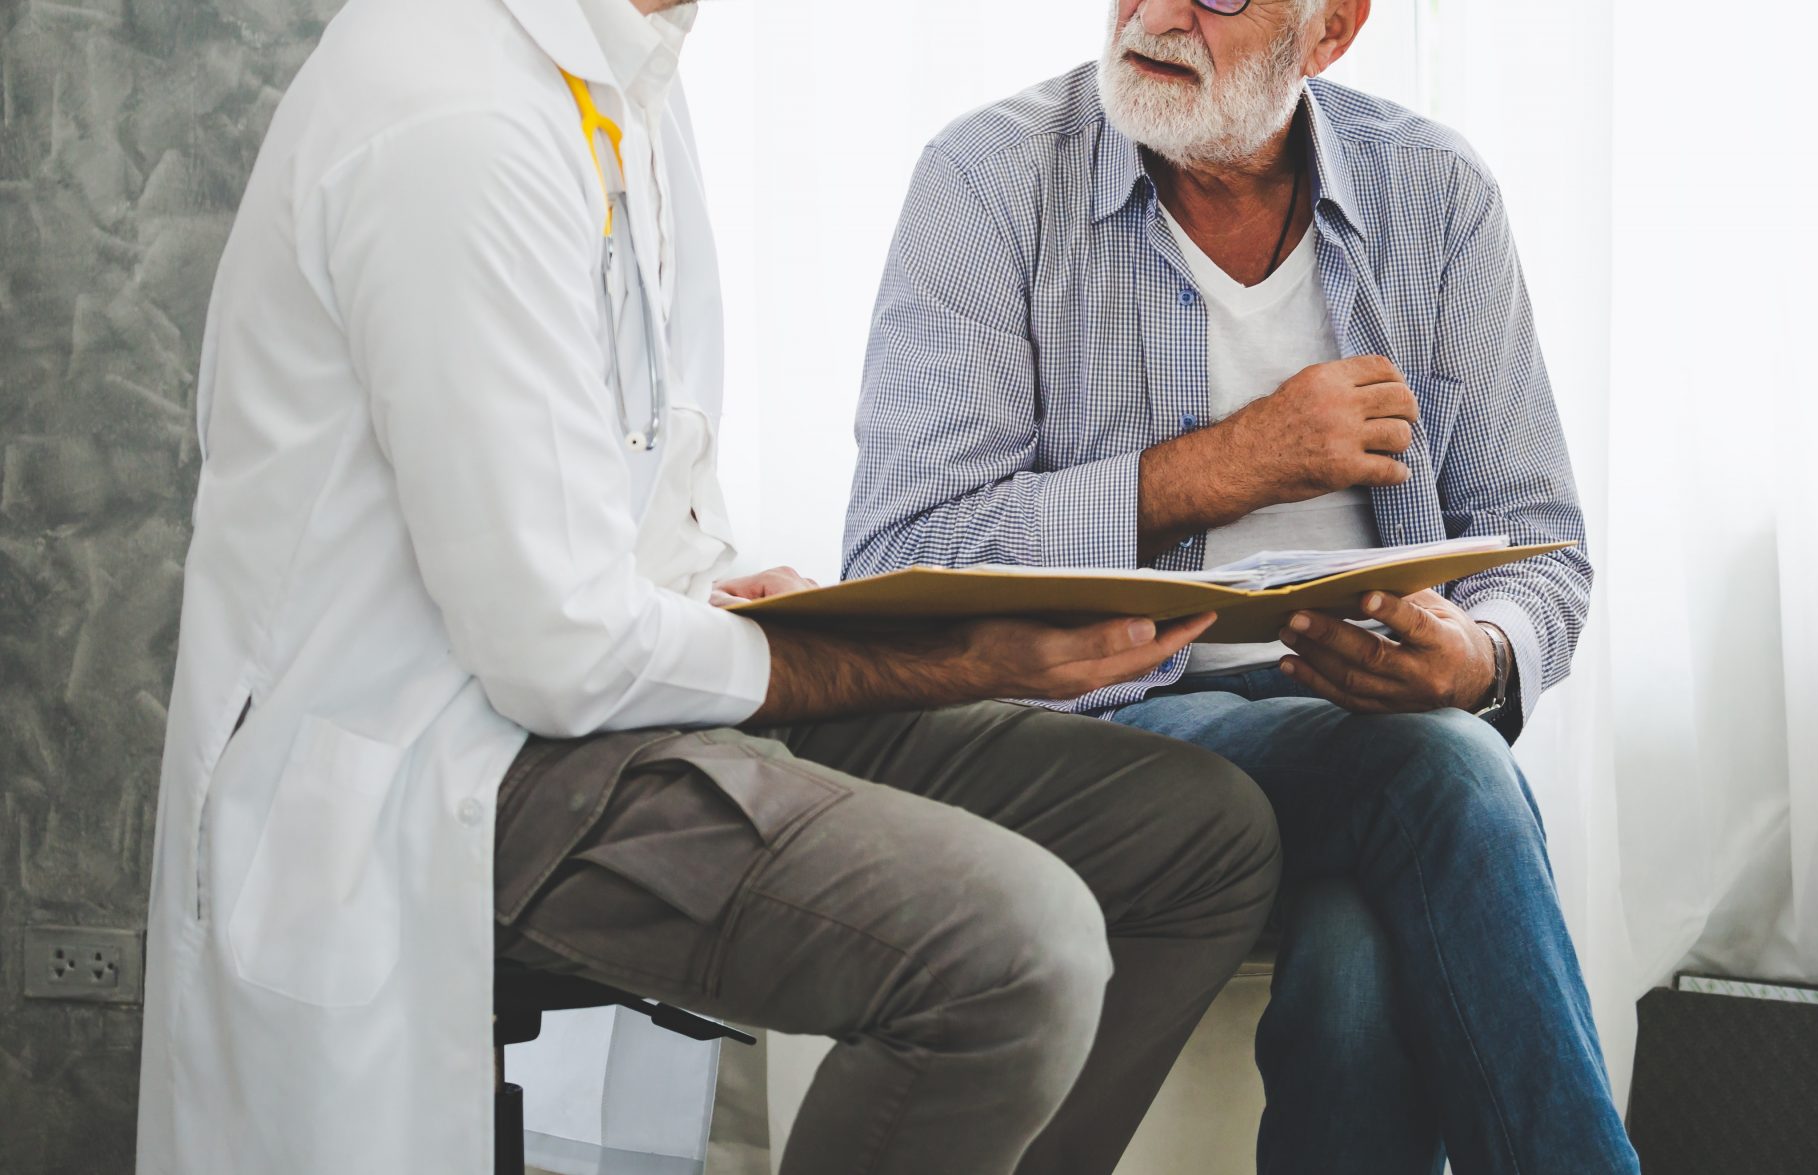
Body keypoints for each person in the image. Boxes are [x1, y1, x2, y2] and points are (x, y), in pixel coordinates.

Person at [133, 0, 1282, 1168]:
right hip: (452, 758)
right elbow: (555, 653)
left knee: (1198, 833)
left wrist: (735, 586)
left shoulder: (625, 72)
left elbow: (619, 481)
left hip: (607, 691)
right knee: (1013, 945)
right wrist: (956, 656)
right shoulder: (458, 117)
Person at [840, 1, 1636, 1171]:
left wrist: (1480, 653)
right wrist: (1226, 464)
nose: (1156, 15)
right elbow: (903, 552)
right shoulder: (988, 181)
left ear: (1331, 32)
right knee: (1445, 764)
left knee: (1353, 964)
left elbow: (1536, 538)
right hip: (1103, 724)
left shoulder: (1436, 194)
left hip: (1354, 727)